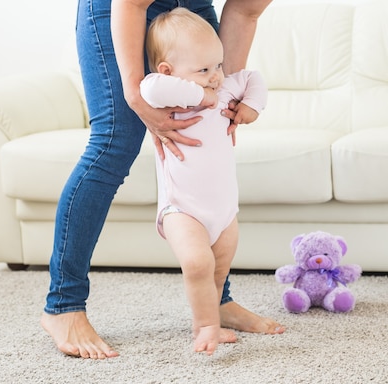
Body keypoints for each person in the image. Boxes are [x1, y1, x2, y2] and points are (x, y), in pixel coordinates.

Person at [40, 0, 285, 359]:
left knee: (204, 133)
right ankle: (63, 305)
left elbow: (245, 11)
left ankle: (216, 301)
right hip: (122, 6)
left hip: (192, 7)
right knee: (114, 143)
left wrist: (220, 99)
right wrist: (137, 98)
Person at [140, 7, 267, 355]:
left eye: (218, 65)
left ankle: (217, 313)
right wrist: (200, 97)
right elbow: (149, 87)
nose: (215, 77)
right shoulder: (169, 97)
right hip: (183, 208)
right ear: (169, 70)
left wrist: (251, 107)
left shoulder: (223, 85)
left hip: (224, 209)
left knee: (220, 267)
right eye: (204, 70)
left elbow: (253, 78)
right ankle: (205, 326)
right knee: (197, 264)